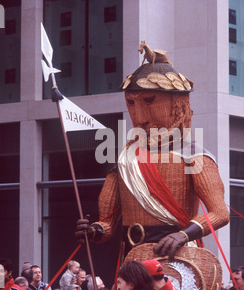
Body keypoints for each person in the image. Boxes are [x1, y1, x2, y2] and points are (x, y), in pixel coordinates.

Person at [75, 41, 230, 260]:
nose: (139, 117)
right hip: (132, 256)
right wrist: (93, 231)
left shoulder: (194, 155)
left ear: (177, 103)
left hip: (177, 256)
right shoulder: (124, 158)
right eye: (131, 103)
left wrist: (183, 236)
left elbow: (220, 213)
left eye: (149, 101)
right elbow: (108, 224)